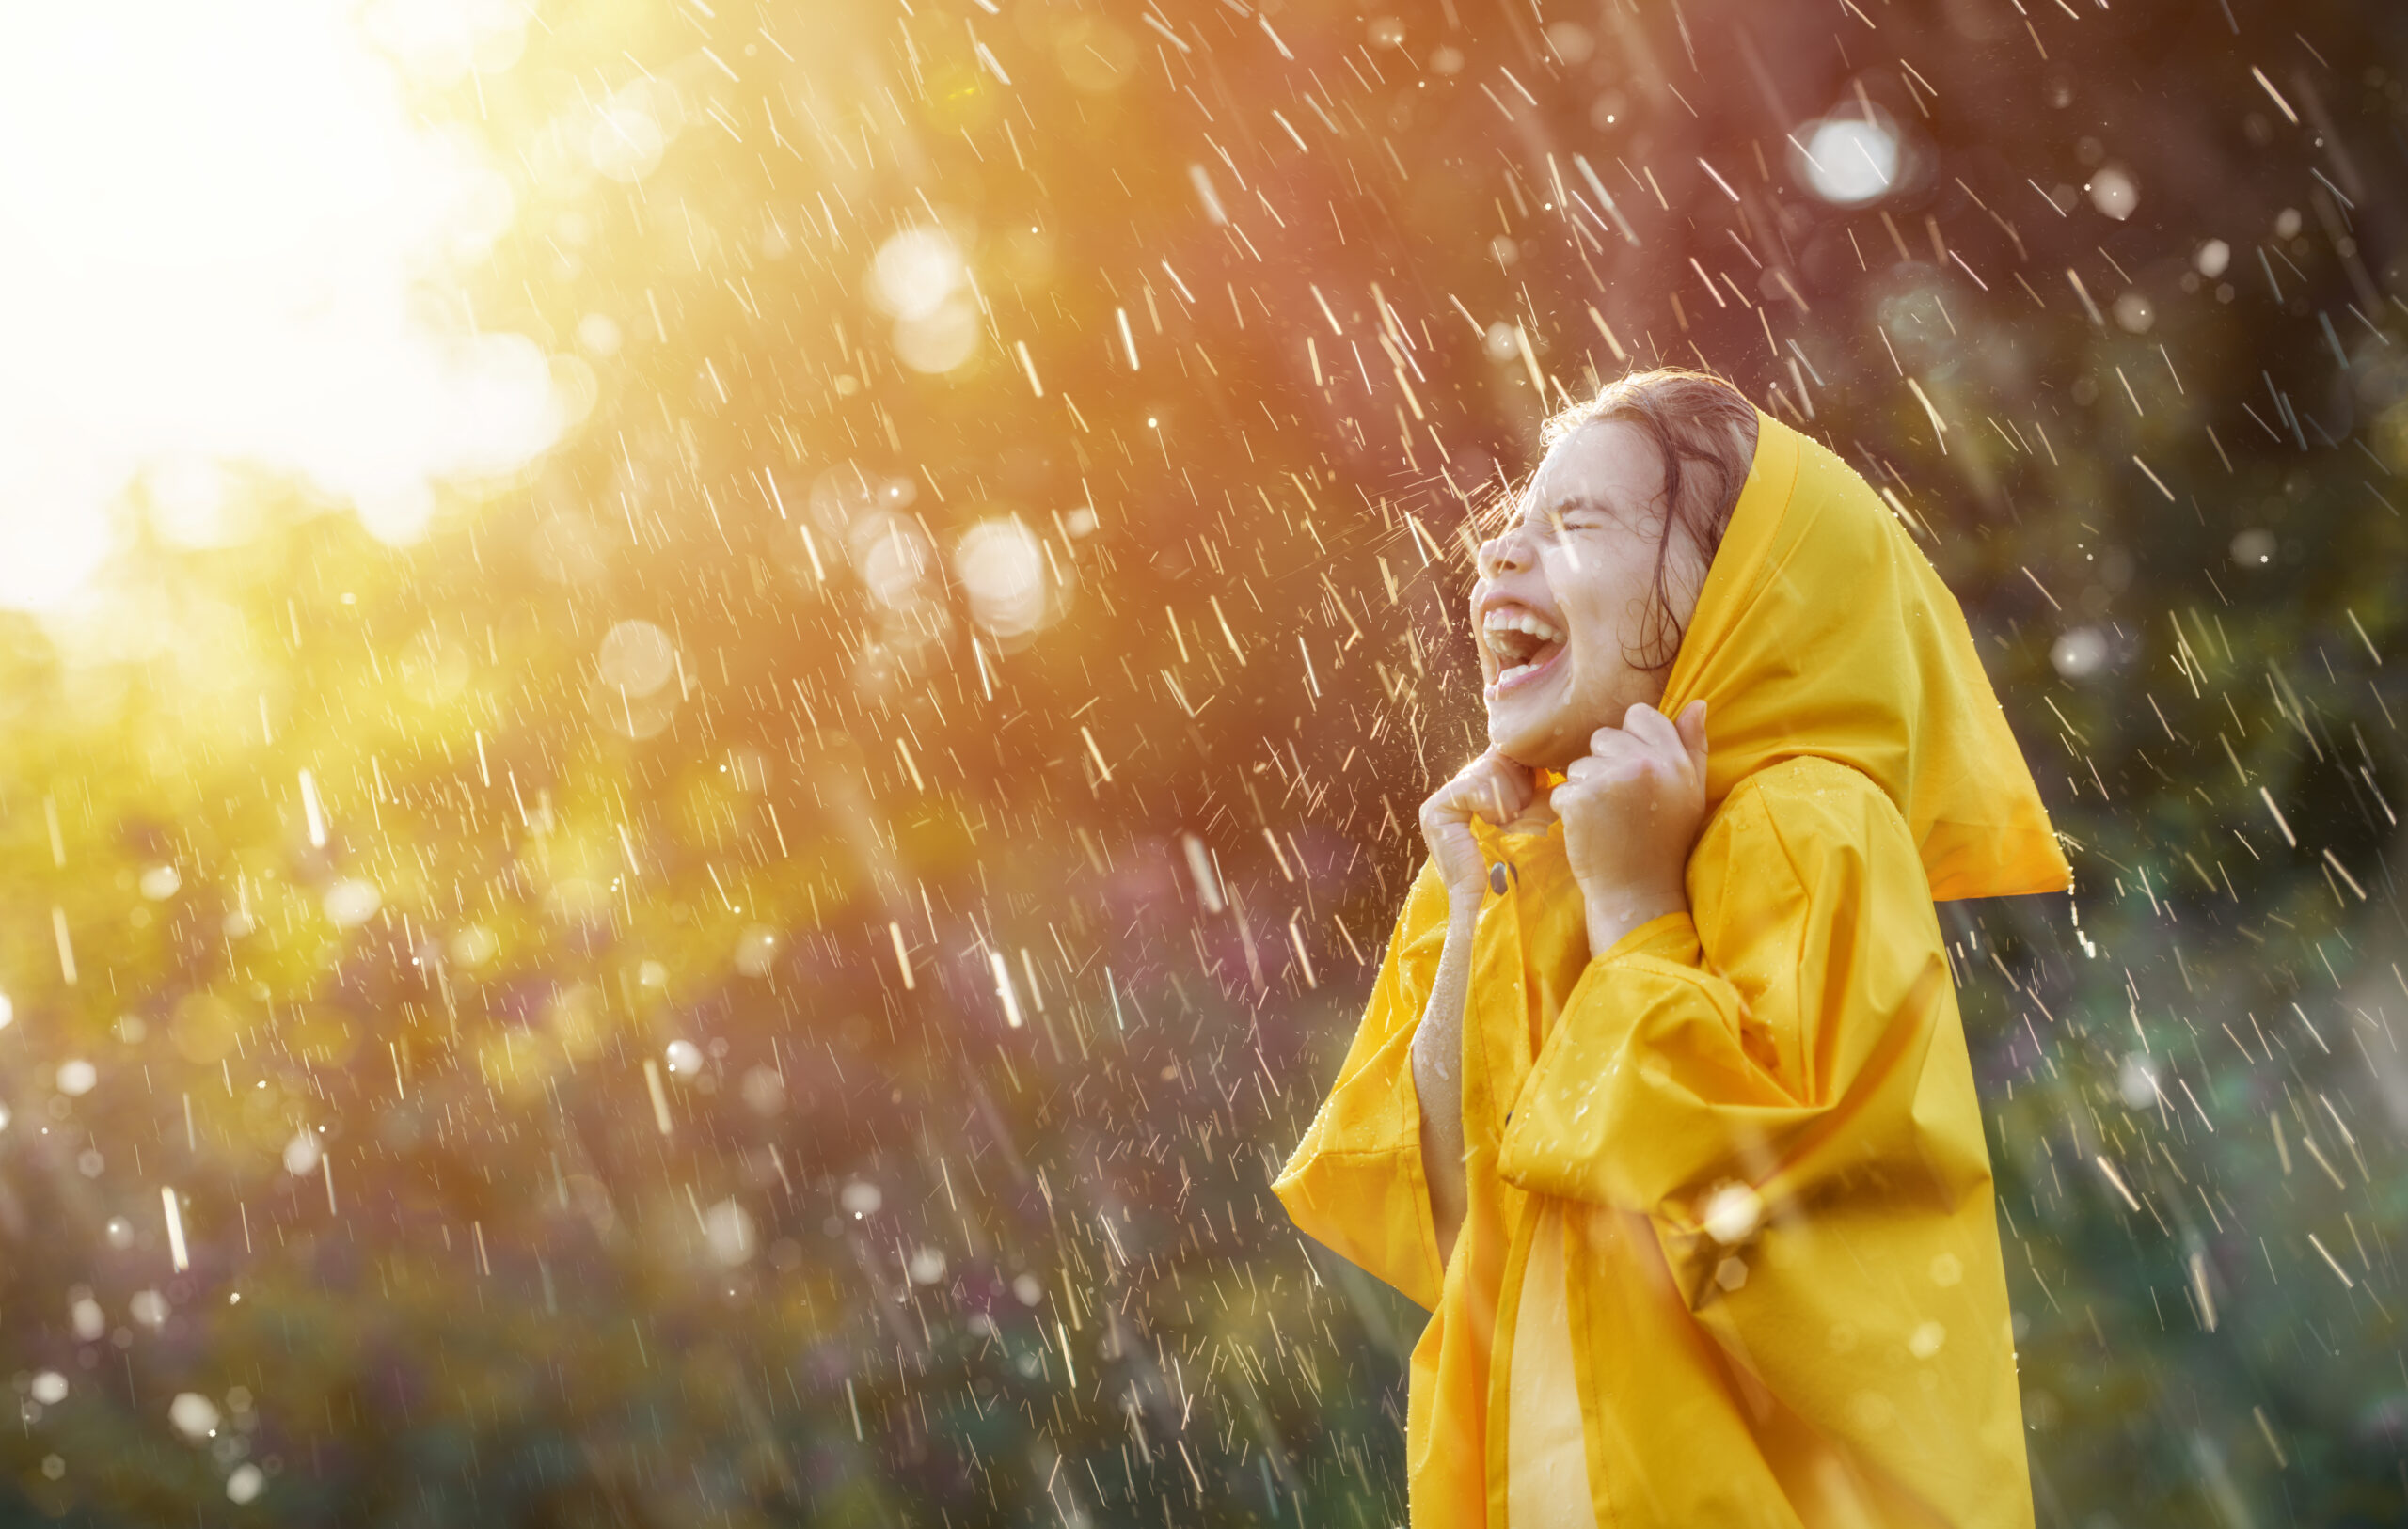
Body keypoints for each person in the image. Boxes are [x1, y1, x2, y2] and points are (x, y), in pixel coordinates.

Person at [1273, 368, 2069, 1527]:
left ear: (1738, 598)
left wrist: (1639, 910)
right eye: (1513, 523)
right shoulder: (1527, 855)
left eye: (1577, 523)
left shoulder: (1803, 824)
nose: (1495, 553)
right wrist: (1477, 899)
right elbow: (1450, 1214)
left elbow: (1777, 1226)